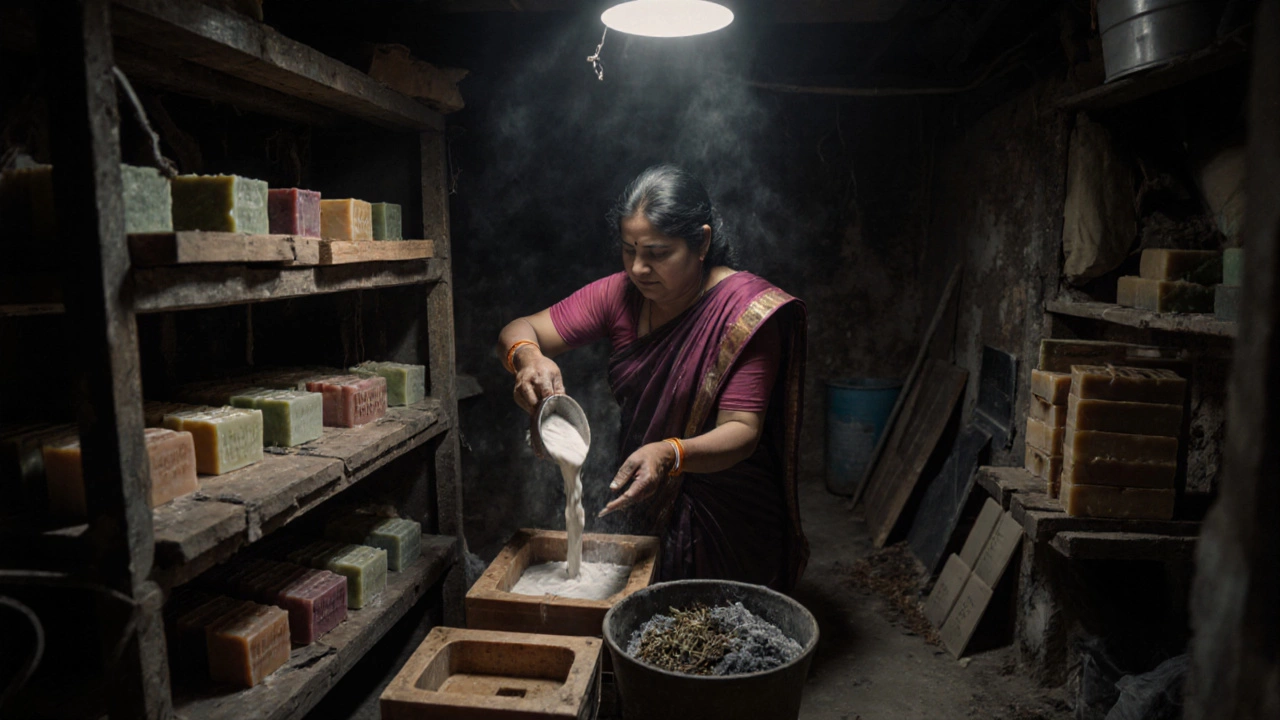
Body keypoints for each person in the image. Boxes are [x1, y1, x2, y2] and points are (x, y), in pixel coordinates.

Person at [496, 165, 808, 592]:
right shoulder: (619, 294)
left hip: (727, 512)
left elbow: (743, 431)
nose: (639, 268)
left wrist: (669, 454)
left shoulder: (743, 313)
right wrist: (528, 359)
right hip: (645, 496)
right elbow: (519, 329)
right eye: (628, 251)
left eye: (657, 253)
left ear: (702, 242)